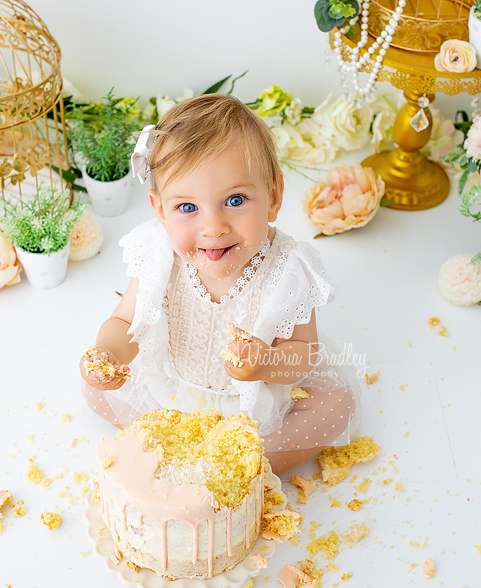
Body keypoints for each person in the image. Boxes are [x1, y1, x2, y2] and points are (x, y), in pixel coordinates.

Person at [79, 94, 360, 473]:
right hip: (172, 392)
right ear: (160, 210)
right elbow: (125, 324)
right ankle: (174, 443)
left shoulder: (287, 268)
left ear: (273, 197)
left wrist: (265, 364)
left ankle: (244, 468)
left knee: (335, 407)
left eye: (235, 199)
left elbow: (303, 353)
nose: (213, 227)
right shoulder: (159, 254)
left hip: (252, 407)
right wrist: (108, 356)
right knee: (95, 392)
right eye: (188, 208)